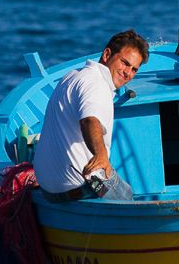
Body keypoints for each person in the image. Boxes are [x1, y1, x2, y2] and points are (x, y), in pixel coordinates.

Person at [32, 30, 149, 200]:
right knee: (126, 196)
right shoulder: (97, 84)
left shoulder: (72, 76)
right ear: (107, 54)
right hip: (83, 187)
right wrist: (100, 156)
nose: (127, 73)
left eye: (134, 69)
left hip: (48, 190)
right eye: (124, 63)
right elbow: (89, 120)